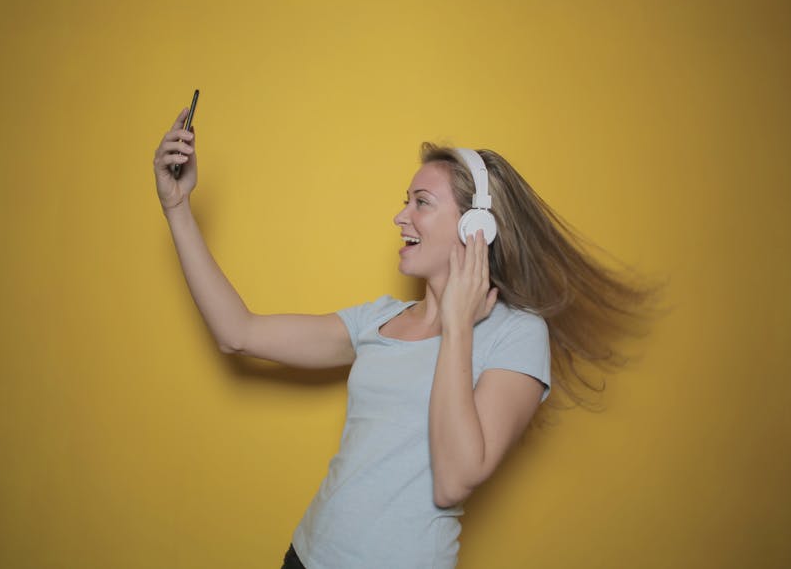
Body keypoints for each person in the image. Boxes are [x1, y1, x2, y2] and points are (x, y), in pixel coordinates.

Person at [153, 107, 660, 568]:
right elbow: (238, 333)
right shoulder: (377, 320)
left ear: (476, 226)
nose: (401, 217)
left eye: (421, 203)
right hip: (305, 557)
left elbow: (454, 479)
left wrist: (458, 326)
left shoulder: (518, 335)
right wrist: (177, 207)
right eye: (405, 202)